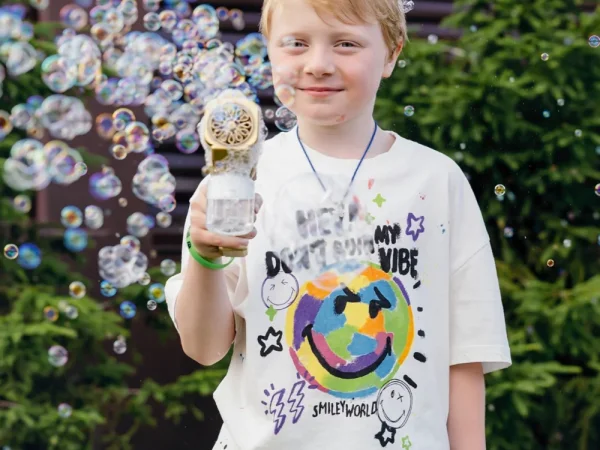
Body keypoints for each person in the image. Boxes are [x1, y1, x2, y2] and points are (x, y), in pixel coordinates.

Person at [165, 0, 512, 448]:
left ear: (391, 53)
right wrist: (205, 258)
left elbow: (464, 358)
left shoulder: (437, 182)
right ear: (268, 50)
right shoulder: (239, 179)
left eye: (346, 44)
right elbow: (204, 347)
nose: (318, 64)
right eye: (296, 43)